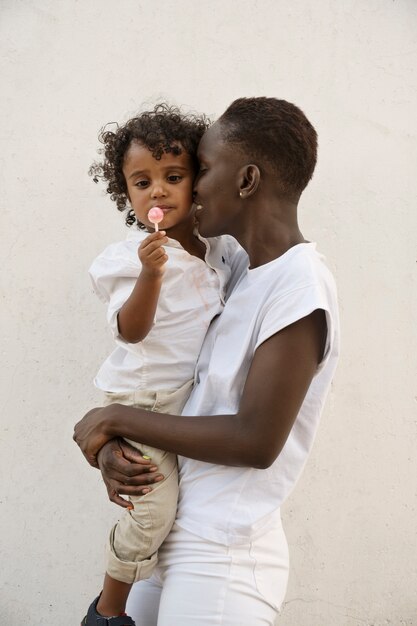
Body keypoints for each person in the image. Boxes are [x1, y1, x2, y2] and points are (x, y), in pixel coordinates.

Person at [74, 97, 340, 626]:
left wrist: (111, 419)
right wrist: (120, 454)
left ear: (245, 180)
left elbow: (256, 440)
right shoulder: (235, 269)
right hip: (176, 537)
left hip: (224, 561)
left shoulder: (298, 286)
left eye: (203, 169)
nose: (190, 186)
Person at [81, 104, 240, 625]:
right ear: (125, 193)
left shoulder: (218, 252)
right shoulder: (132, 258)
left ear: (196, 180)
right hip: (143, 401)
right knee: (151, 512)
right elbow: (130, 330)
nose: (158, 192)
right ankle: (107, 613)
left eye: (173, 177)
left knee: (171, 508)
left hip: (184, 403)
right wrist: (151, 275)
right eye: (141, 182)